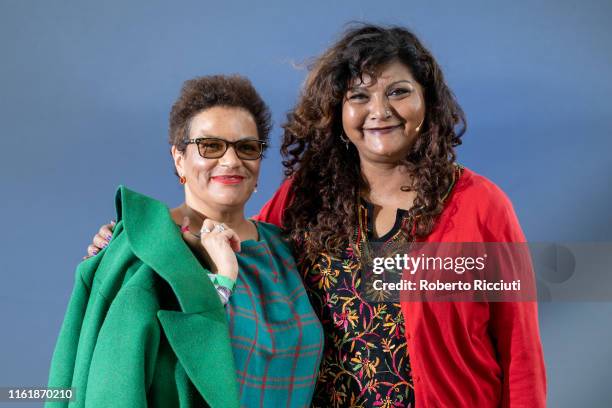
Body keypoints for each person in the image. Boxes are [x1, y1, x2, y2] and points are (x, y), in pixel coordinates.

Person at [87, 24, 546, 407]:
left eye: (399, 92)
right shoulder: (307, 196)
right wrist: (132, 243)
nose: (379, 111)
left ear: (428, 103)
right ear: (338, 111)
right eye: (359, 96)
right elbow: (231, 245)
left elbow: (521, 353)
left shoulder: (481, 206)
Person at [48, 75, 323, 408]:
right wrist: (220, 282)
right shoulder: (145, 255)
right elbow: (115, 387)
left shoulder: (285, 250)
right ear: (179, 158)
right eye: (210, 145)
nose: (231, 160)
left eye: (247, 147)